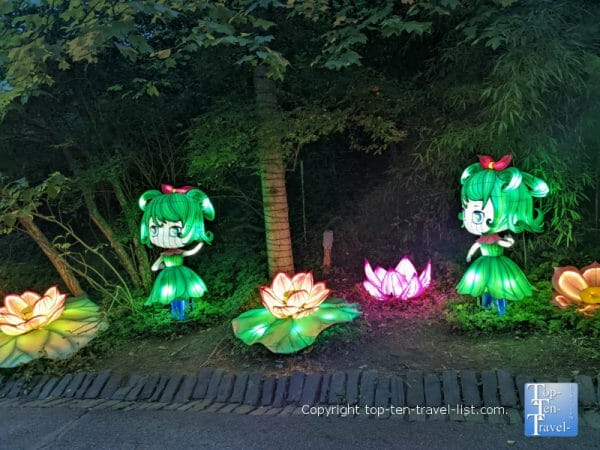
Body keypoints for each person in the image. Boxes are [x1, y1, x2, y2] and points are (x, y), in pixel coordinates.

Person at [457, 154, 549, 315]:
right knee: (485, 286)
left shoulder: (494, 238)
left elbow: (502, 244)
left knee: (499, 287)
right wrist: (470, 256)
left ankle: (501, 311)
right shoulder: (484, 238)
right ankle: (487, 308)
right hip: (485, 264)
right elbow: (475, 247)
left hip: (497, 265)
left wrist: (508, 241)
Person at [139, 184, 215, 320]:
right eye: (154, 229)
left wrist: (200, 244)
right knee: (173, 295)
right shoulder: (164, 255)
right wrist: (161, 265)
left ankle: (187, 312)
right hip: (169, 277)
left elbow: (190, 252)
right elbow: (154, 266)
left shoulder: (179, 252)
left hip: (179, 274)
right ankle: (178, 315)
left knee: (185, 292)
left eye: (175, 230)